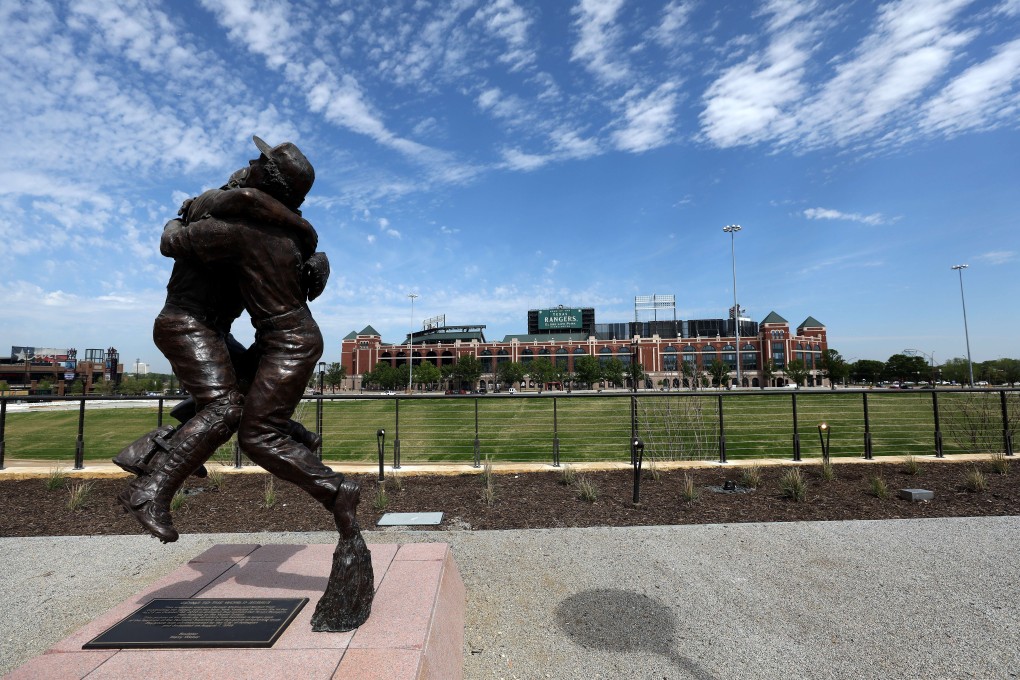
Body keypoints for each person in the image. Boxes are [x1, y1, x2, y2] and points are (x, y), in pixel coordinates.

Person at [126, 136, 356, 543]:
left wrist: (182, 216)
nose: (250, 160)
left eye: (261, 161)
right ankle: (152, 482)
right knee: (227, 408)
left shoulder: (240, 228)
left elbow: (170, 240)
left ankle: (148, 465)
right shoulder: (267, 224)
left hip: (206, 328)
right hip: (188, 323)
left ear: (268, 179)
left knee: (233, 405)